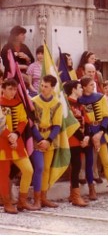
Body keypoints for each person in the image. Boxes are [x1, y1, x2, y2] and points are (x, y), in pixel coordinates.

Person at [78, 76, 108, 200]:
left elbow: (106, 116)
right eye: (90, 85)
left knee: (106, 161)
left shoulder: (100, 97)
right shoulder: (80, 100)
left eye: (93, 84)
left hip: (100, 131)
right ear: (84, 87)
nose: (93, 86)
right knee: (90, 162)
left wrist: (100, 133)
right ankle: (91, 189)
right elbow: (83, 119)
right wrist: (90, 135)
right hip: (88, 132)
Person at [0, 78, 36, 214]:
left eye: (15, 89)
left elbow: (23, 120)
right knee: (3, 175)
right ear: (3, 88)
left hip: (17, 142)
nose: (13, 92)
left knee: (28, 170)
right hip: (2, 144)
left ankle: (22, 200)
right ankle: (7, 203)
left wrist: (16, 134)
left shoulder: (18, 102)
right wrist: (10, 136)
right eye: (10, 89)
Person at [31, 75, 62, 208]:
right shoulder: (33, 101)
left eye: (46, 86)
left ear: (52, 88)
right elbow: (31, 124)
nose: (43, 88)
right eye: (42, 85)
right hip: (36, 138)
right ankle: (36, 199)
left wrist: (48, 140)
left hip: (50, 138)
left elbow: (57, 125)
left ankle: (44, 197)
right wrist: (40, 139)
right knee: (39, 167)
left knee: (47, 169)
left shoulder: (57, 104)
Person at [63, 80, 89, 207]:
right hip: (72, 139)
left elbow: (87, 121)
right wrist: (82, 138)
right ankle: (75, 197)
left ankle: (73, 194)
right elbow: (70, 124)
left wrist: (87, 137)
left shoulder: (80, 104)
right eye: (79, 87)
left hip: (81, 140)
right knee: (76, 167)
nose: (81, 89)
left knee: (77, 167)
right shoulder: (66, 104)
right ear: (73, 89)